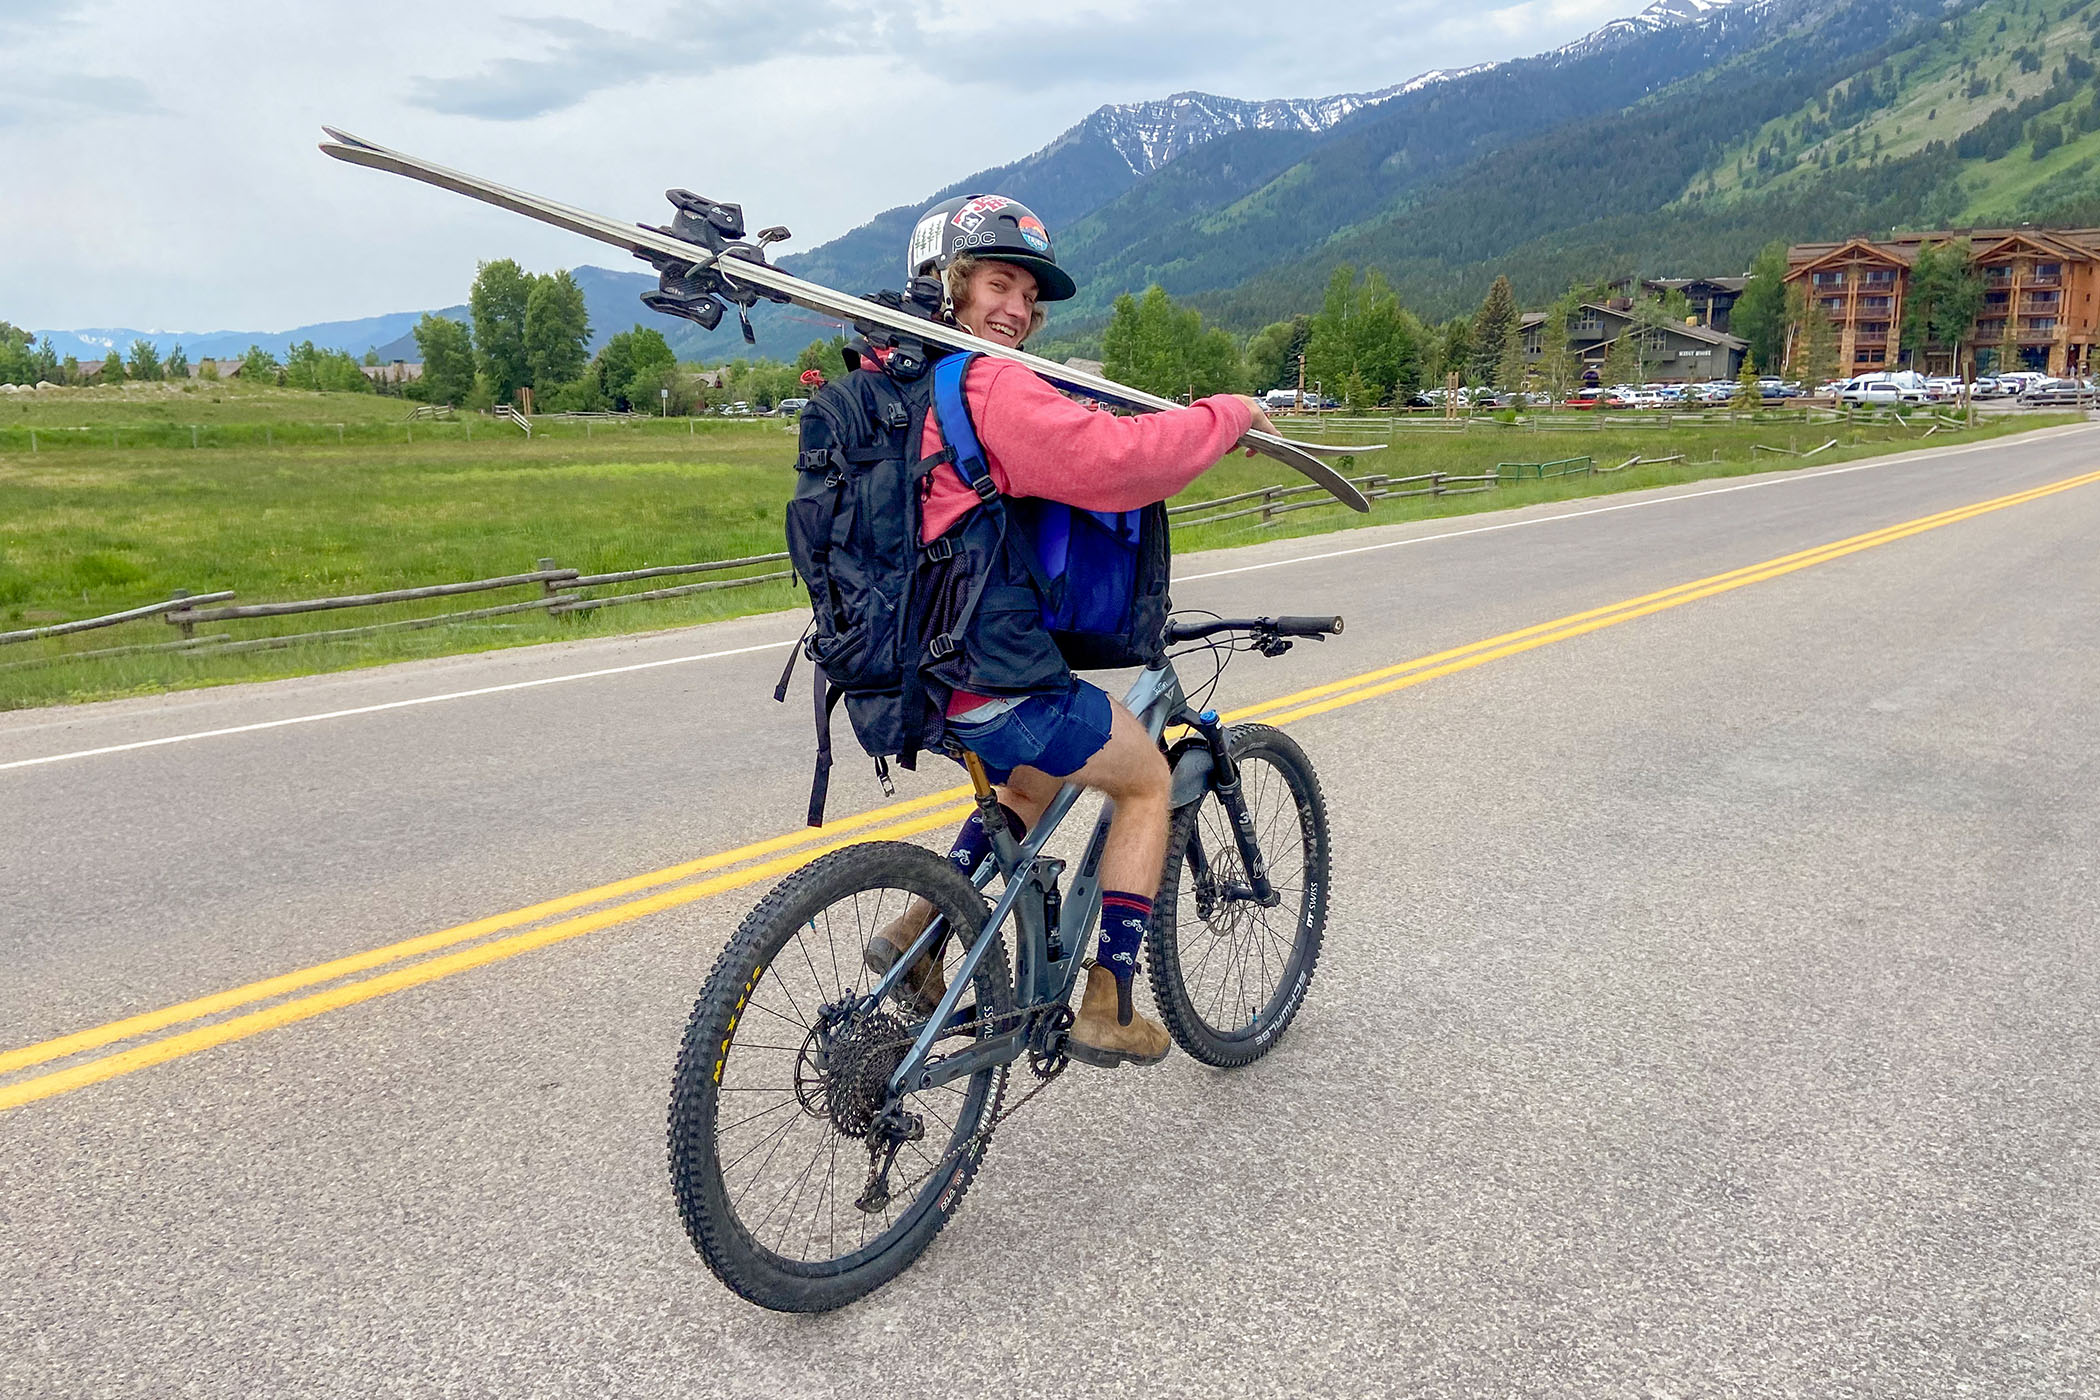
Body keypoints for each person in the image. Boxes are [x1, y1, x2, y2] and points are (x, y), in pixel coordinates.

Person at [862, 193, 1280, 1069]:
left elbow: (1065, 443)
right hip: (985, 673)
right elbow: (1115, 466)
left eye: (1028, 295)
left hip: (904, 669)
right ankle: (1109, 1001)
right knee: (1143, 781)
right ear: (948, 285)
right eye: (996, 282)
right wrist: (1225, 416)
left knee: (1036, 786)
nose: (1015, 308)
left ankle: (917, 934)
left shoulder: (896, 381)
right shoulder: (987, 382)